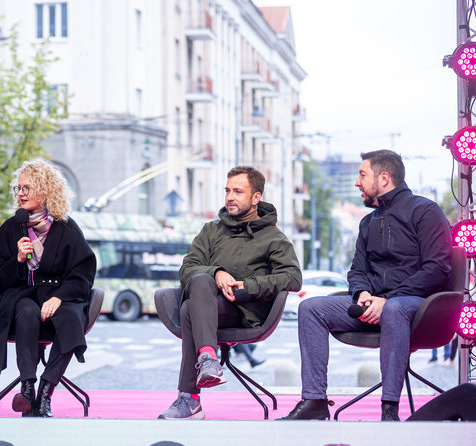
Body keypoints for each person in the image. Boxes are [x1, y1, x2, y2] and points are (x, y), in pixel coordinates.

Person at [280, 150, 452, 422]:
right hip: (373, 305)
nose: (357, 183)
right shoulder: (367, 222)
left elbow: (437, 268)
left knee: (394, 309)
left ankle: (389, 410)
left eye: (362, 175)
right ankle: (314, 401)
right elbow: (357, 271)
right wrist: (361, 295)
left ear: (384, 178)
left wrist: (389, 299)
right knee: (311, 308)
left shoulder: (425, 211)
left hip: (418, 307)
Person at [158, 165, 302, 420]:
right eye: (227, 190)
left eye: (238, 191)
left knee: (189, 308)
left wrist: (249, 287)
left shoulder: (273, 238)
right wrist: (217, 273)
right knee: (197, 290)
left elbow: (292, 277)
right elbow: (188, 268)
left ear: (256, 197)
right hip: (209, 306)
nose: (229, 197)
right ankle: (208, 359)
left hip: (243, 311)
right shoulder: (211, 231)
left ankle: (189, 399)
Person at [0, 159, 96, 417]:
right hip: (23, 294)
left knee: (71, 317)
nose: (20, 193)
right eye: (18, 188)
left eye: (27, 188)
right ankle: (27, 386)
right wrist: (17, 260)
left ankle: (45, 391)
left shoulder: (66, 228)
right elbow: (0, 279)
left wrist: (60, 298)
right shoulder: (10, 229)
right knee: (26, 311)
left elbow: (83, 273)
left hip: (61, 297)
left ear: (45, 191)